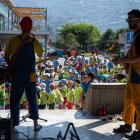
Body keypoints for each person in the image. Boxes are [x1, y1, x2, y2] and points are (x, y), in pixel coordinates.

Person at [4, 16, 43, 131]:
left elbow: (6, 57)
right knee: (32, 99)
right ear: (30, 28)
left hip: (17, 75)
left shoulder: (13, 40)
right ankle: (36, 125)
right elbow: (40, 54)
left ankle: (13, 125)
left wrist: (12, 65)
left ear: (20, 27)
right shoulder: (33, 41)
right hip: (30, 75)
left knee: (15, 99)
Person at [113, 9, 140, 140]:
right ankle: (128, 124)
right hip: (133, 73)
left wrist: (122, 60)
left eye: (131, 20)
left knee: (139, 103)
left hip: (139, 75)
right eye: (128, 20)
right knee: (128, 100)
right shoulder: (136, 35)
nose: (129, 22)